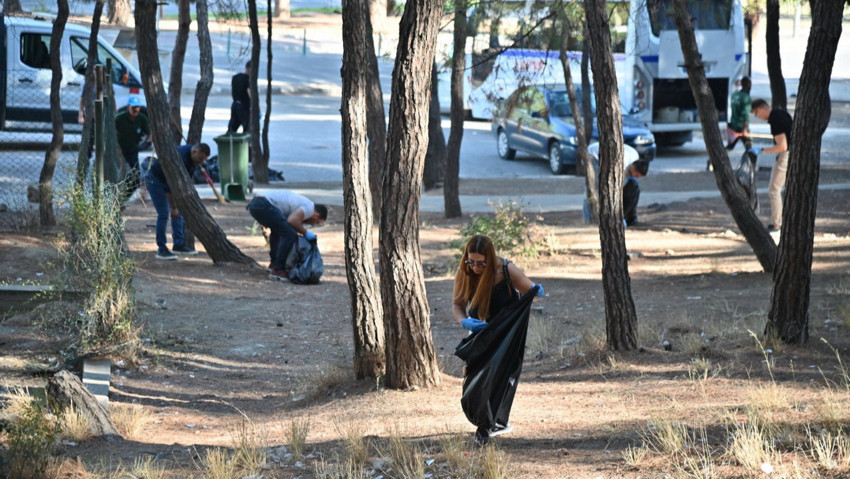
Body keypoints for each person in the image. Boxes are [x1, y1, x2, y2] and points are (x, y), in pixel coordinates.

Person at [452, 234, 544, 444]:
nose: (475, 267)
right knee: (476, 376)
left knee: (500, 375)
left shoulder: (505, 270)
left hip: (507, 333)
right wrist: (465, 322)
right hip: (481, 332)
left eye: (481, 263)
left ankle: (487, 425)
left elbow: (531, 291)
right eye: (471, 261)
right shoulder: (464, 273)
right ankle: (485, 421)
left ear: (491, 259)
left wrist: (537, 292)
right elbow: (457, 305)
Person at [144, 143, 211, 260]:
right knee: (164, 213)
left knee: (178, 211)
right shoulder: (180, 158)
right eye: (200, 158)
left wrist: (177, 206)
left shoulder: (192, 160)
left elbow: (182, 183)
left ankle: (178, 244)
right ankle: (161, 248)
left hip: (168, 182)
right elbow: (171, 186)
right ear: (195, 151)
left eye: (203, 160)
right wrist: (173, 207)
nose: (200, 162)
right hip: (155, 180)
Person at [246, 190, 328, 281]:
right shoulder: (310, 208)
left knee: (277, 232)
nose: (313, 225)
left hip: (256, 204)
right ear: (316, 215)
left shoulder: (303, 205)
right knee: (290, 234)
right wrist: (306, 233)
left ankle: (274, 264)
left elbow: (291, 221)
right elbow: (292, 221)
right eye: (316, 222)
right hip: (264, 204)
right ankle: (278, 270)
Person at [750, 99, 793, 232]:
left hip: (786, 155)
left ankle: (776, 224)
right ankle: (782, 221)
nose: (758, 117)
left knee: (774, 189)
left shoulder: (775, 120)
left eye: (756, 113)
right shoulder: (781, 113)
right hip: (793, 154)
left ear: (761, 109)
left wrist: (762, 150)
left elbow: (782, 146)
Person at [114, 96, 151, 204]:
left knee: (135, 175)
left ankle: (124, 198)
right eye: (133, 107)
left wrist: (147, 142)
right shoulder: (119, 118)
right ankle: (116, 195)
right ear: (128, 107)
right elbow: (111, 131)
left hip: (133, 149)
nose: (135, 109)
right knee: (122, 172)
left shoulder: (142, 118)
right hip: (119, 150)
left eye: (138, 107)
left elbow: (149, 133)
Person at [726, 76, 753, 151]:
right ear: (748, 85)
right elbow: (745, 115)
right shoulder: (746, 97)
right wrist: (745, 129)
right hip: (742, 126)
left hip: (733, 125)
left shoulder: (734, 95)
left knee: (730, 146)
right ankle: (751, 162)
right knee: (749, 148)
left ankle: (715, 160)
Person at [623, 159, 649, 227]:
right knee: (631, 190)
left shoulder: (636, 162)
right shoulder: (622, 166)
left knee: (635, 189)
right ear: (632, 168)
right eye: (636, 175)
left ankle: (630, 216)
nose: (636, 177)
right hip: (595, 159)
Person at [228, 61, 252, 133]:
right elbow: (250, 94)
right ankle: (247, 144)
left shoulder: (235, 77)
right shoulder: (248, 79)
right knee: (247, 129)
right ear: (250, 69)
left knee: (232, 129)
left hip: (235, 105)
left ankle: (228, 142)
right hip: (244, 107)